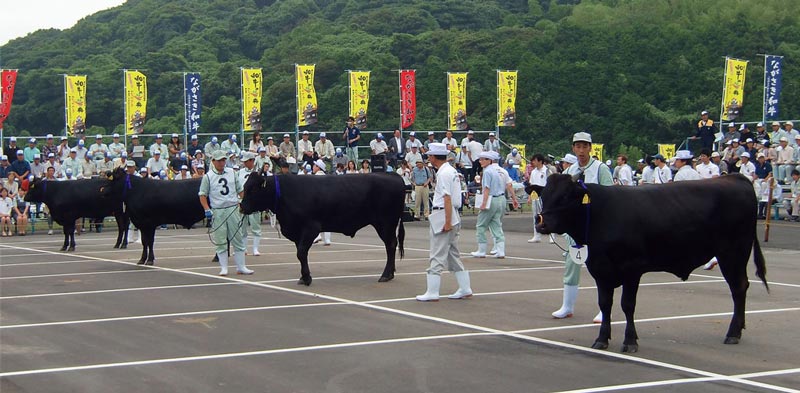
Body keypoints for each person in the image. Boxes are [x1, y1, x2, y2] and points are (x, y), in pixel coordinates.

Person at [552, 131, 612, 322]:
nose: (581, 150)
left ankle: (604, 308)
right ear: (573, 148)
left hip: (597, 226)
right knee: (572, 263)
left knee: (601, 267)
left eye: (585, 146)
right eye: (578, 146)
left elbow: (610, 196)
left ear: (590, 148)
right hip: (576, 228)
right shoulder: (569, 172)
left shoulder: (600, 168)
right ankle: (567, 306)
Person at [416, 143, 472, 301]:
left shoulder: (444, 173)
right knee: (452, 254)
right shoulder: (450, 170)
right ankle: (465, 287)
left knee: (437, 253)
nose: (428, 158)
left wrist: (447, 222)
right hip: (451, 213)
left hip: (444, 213)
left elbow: (446, 198)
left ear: (434, 157)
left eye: (429, 155)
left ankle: (433, 292)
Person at [199, 150, 254, 276]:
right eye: (219, 160)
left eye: (223, 160)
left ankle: (241, 266)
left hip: (233, 208)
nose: (222, 162)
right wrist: (207, 209)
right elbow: (202, 195)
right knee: (220, 239)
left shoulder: (232, 173)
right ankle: (224, 267)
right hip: (218, 210)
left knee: (237, 237)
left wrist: (244, 202)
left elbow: (240, 190)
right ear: (213, 161)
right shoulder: (208, 177)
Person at [470, 151, 507, 258]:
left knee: (481, 225)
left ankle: (481, 250)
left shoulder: (487, 172)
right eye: (480, 159)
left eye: (483, 159)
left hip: (491, 199)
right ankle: (501, 251)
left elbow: (486, 188)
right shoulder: (496, 171)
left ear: (489, 160)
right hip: (499, 198)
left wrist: (484, 203)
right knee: (496, 225)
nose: (480, 161)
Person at [239, 152, 263, 255]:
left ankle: (255, 248)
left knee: (255, 226)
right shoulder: (239, 172)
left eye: (247, 161)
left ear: (252, 161)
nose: (244, 163)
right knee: (242, 227)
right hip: (242, 201)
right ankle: (243, 248)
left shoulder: (258, 173)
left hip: (254, 203)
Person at [526, 154, 550, 243]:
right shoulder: (533, 172)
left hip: (545, 195)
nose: (533, 162)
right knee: (536, 216)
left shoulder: (547, 171)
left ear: (540, 161)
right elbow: (531, 185)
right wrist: (529, 197)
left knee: (547, 215)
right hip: (535, 196)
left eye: (534, 160)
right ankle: (537, 235)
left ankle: (551, 235)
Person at [311, 159, 332, 246]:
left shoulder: (314, 177)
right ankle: (327, 240)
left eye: (315, 165)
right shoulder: (326, 176)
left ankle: (317, 236)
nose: (313, 167)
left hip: (317, 201)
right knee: (327, 220)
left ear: (318, 167)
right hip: (328, 201)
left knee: (314, 220)